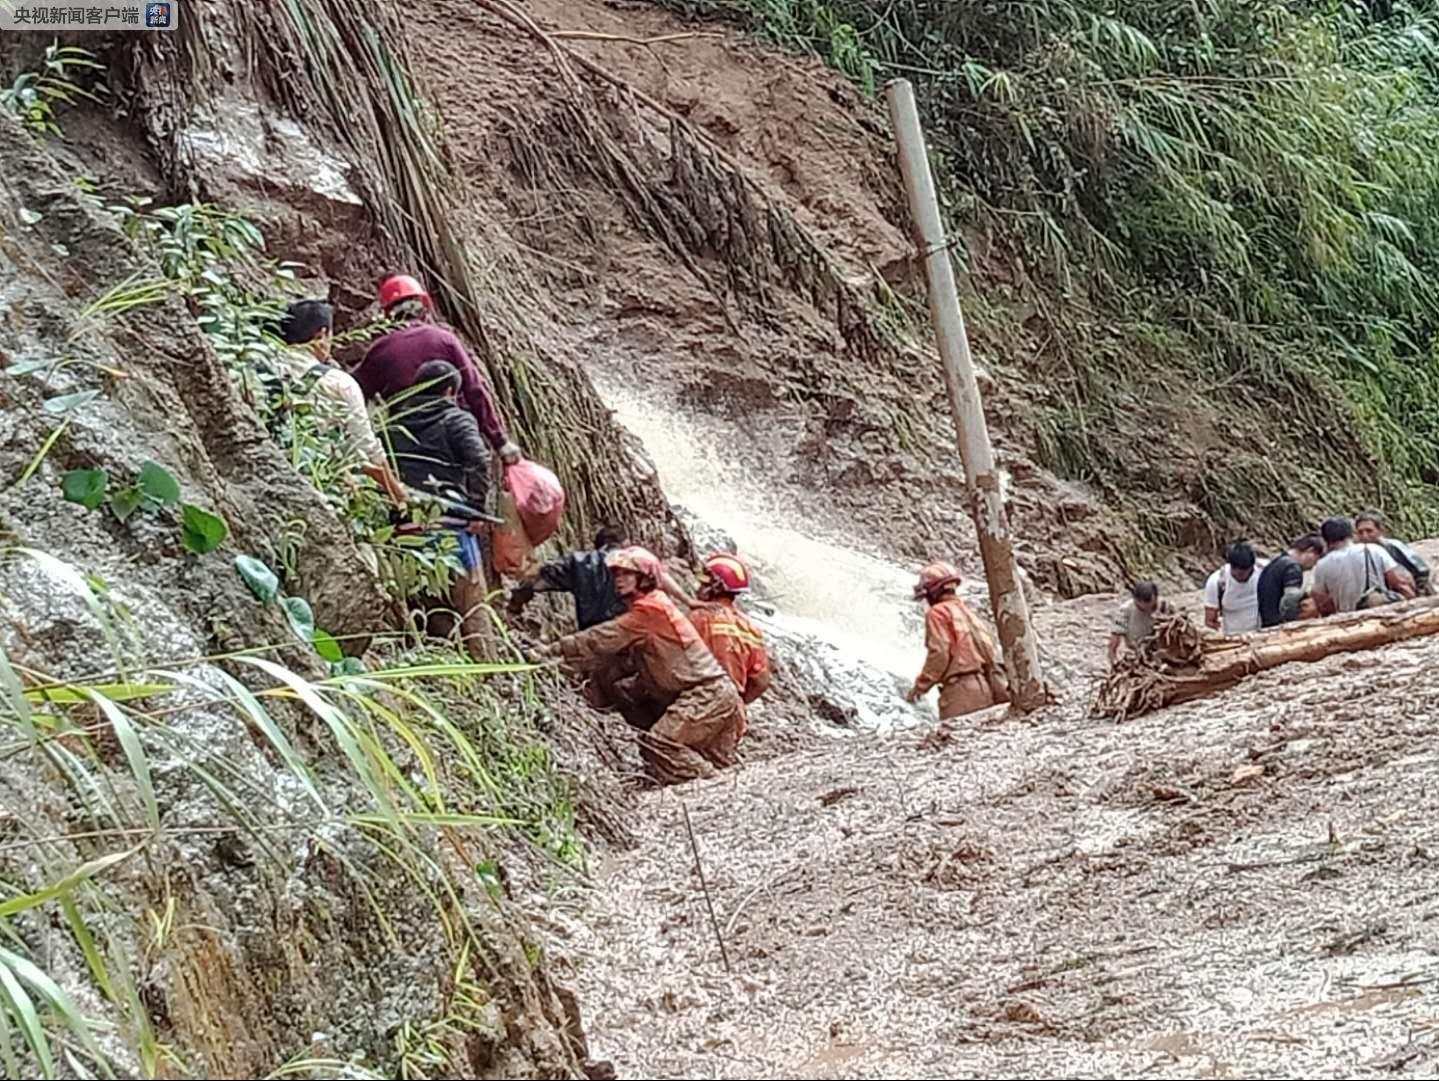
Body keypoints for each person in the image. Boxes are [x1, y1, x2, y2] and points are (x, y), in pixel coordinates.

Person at [540, 546, 746, 786]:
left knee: (661, 743)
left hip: (706, 694)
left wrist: (551, 650)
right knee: (626, 692)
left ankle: (713, 785)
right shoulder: (652, 607)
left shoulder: (650, 611)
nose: (618, 579)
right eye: (616, 574)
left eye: (627, 574)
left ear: (645, 577)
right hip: (713, 695)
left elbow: (601, 638)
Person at [386, 359, 496, 658]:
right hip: (451, 528)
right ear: (450, 392)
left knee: (430, 607)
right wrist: (475, 509)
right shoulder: (456, 419)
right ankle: (487, 671)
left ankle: (444, 667)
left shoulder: (394, 420)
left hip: (404, 531)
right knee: (472, 605)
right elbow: (479, 461)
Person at [352, 274, 522, 465]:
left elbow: (353, 391)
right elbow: (474, 389)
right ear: (423, 307)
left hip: (404, 440)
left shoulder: (380, 351)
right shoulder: (444, 340)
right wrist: (500, 441)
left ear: (388, 315)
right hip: (452, 435)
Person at [276, 299, 406, 506]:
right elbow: (365, 448)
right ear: (322, 334)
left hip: (274, 470)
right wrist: (399, 494)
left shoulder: (264, 365)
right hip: (322, 485)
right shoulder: (339, 383)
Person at [507, 527, 694, 631]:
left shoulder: (578, 563)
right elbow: (660, 576)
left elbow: (536, 578)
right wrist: (687, 600)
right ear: (625, 545)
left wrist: (515, 605)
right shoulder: (635, 566)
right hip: (629, 635)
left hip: (591, 635)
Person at [905, 562, 1006, 719]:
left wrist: (920, 687)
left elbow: (939, 653)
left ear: (933, 591)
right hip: (986, 688)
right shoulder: (967, 612)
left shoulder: (938, 613)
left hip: (961, 693)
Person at [687, 553, 772, 726]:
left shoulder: (700, 617)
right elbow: (761, 681)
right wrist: (736, 702)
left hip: (698, 707)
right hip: (733, 718)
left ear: (715, 586)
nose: (698, 587)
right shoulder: (750, 628)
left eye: (704, 581)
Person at [1310, 515, 1415, 615]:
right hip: (1380, 612)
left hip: (1348, 620)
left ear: (1325, 540)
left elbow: (1321, 601)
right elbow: (1400, 584)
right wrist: (1414, 604)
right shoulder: (1374, 550)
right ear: (1351, 534)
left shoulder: (1322, 565)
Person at [1355, 510, 1432, 596]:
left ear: (1380, 531)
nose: (1364, 536)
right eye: (1360, 532)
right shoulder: (1357, 553)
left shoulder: (1393, 546)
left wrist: (1420, 593)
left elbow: (1422, 570)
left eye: (1369, 531)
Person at [1256, 533, 1325, 628]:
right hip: (1279, 626)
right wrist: (1293, 623)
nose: (1312, 567)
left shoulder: (1277, 562)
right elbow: (1289, 601)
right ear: (1310, 551)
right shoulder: (1292, 568)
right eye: (1315, 561)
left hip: (1267, 621)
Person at [1202, 542, 1268, 636]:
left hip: (1264, 633)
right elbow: (1209, 621)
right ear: (1231, 567)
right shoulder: (1217, 582)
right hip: (1234, 637)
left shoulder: (1264, 571)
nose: (1243, 578)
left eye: (1248, 573)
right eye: (1239, 575)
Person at [1107, 580, 1171, 667]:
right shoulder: (1125, 611)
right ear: (1135, 600)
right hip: (1136, 654)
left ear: (1156, 597)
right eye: (1142, 609)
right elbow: (1114, 640)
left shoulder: (1166, 607)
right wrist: (1114, 663)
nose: (1148, 611)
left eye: (1151, 607)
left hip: (1164, 653)